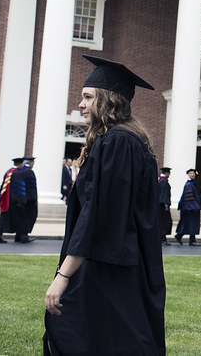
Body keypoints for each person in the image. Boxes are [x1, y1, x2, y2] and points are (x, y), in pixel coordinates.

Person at [43, 55, 165, 355]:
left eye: (87, 97)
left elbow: (96, 215)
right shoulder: (131, 141)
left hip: (104, 268)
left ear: (108, 100)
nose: (81, 104)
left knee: (71, 331)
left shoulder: (117, 143)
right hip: (118, 263)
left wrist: (63, 276)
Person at [0, 157, 26, 243]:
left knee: (3, 218)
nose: (22, 166)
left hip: (6, 200)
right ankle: (22, 236)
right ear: (19, 164)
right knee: (19, 218)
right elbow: (19, 189)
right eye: (22, 164)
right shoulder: (17, 173)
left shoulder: (8, 172)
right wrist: (20, 201)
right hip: (14, 202)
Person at [174, 168, 201, 246]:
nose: (192, 175)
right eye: (191, 173)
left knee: (188, 224)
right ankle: (190, 240)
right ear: (188, 175)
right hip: (190, 209)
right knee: (190, 223)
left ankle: (181, 236)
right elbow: (189, 198)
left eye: (193, 173)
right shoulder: (189, 185)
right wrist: (194, 207)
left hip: (191, 208)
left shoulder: (192, 184)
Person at [20, 156, 38, 242]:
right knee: (29, 217)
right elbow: (32, 188)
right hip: (29, 199)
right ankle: (24, 236)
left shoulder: (21, 170)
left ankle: (20, 235)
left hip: (22, 198)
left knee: (22, 217)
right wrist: (34, 199)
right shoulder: (29, 172)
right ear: (30, 162)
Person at [158, 167, 172, 246]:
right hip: (162, 206)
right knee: (164, 222)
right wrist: (166, 204)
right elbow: (164, 194)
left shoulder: (160, 180)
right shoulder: (164, 182)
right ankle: (162, 239)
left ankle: (163, 238)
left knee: (162, 222)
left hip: (159, 205)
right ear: (167, 173)